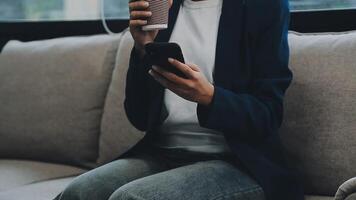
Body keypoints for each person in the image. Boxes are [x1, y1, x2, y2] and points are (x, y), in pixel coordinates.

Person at [58, 0, 304, 200]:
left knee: (132, 198)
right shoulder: (164, 8)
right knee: (79, 193)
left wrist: (209, 96)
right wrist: (143, 47)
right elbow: (139, 117)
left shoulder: (264, 6)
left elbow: (268, 114)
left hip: (238, 162)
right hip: (163, 154)